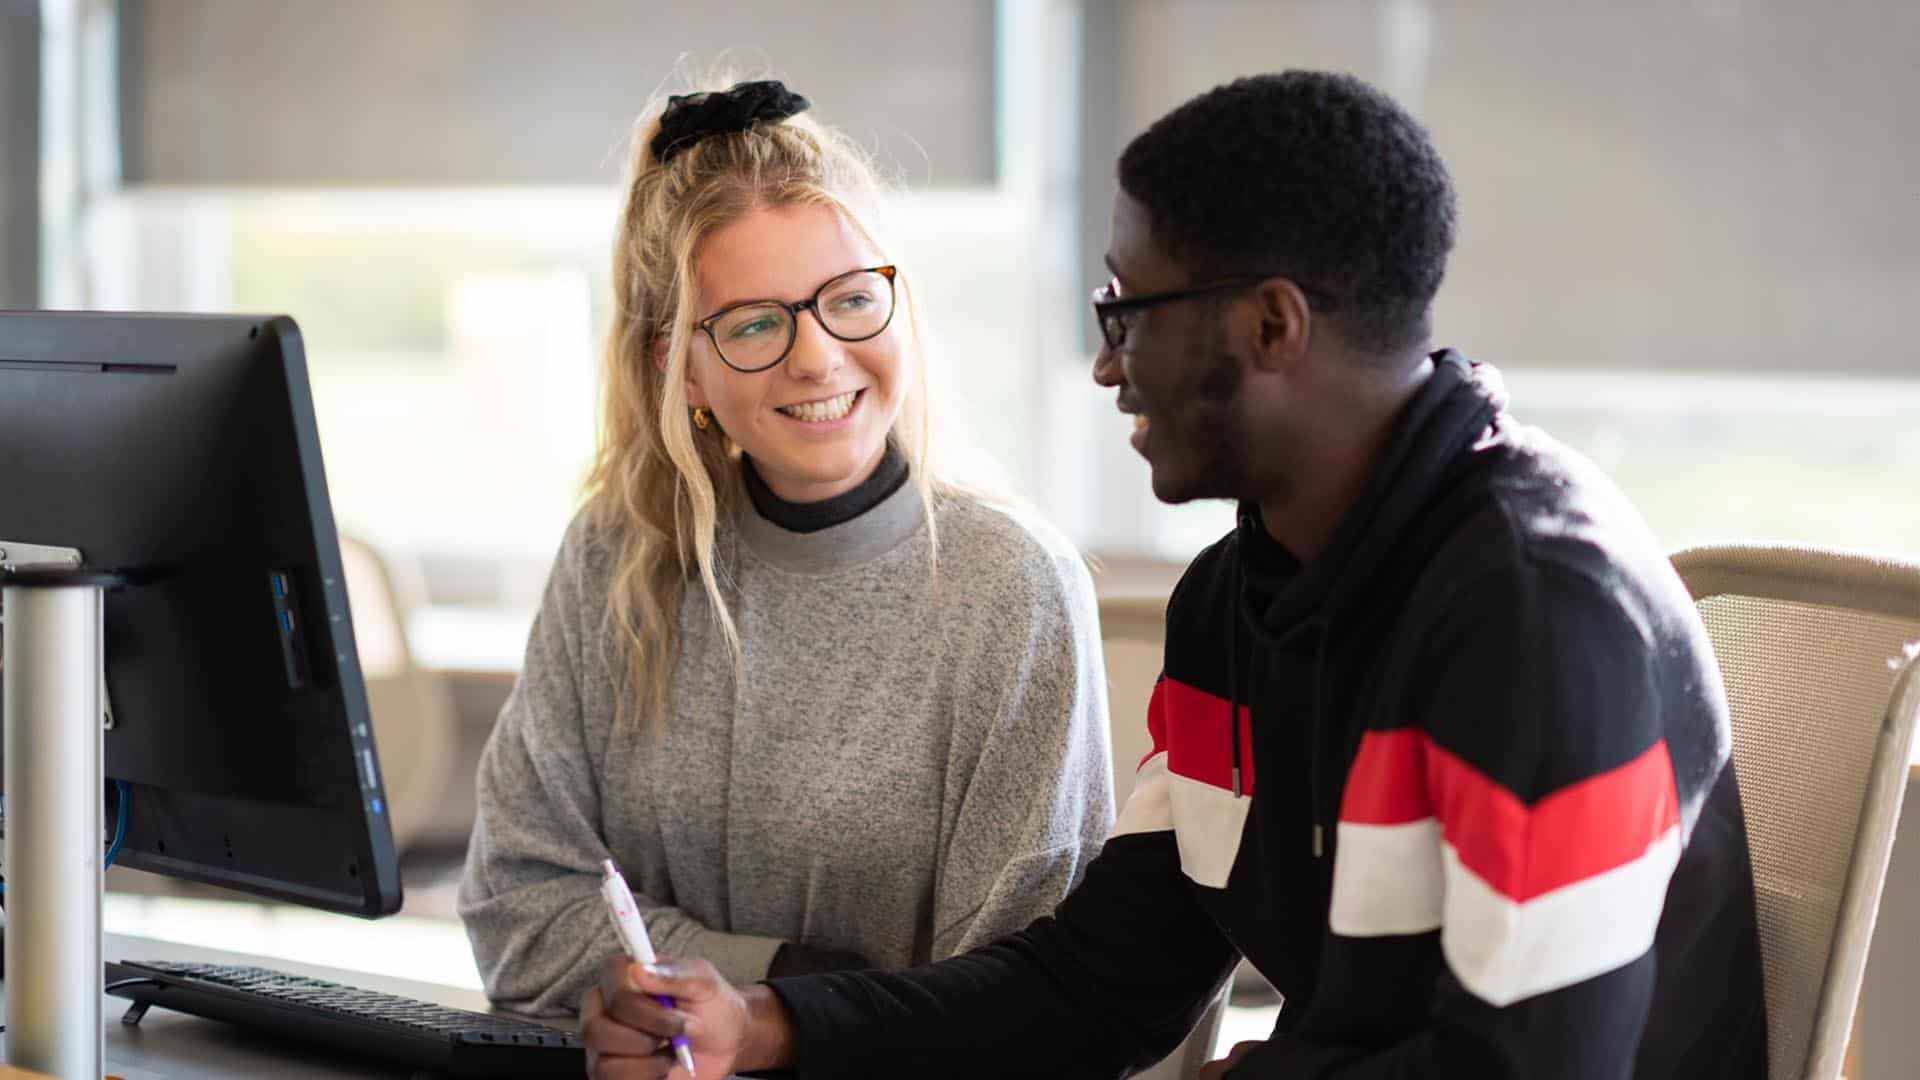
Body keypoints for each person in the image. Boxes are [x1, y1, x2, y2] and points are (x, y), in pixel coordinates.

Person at [583, 70, 1770, 1079]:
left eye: (1128, 310)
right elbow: (1097, 986)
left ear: (1268, 327)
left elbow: (1526, 1071)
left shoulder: (1540, 612)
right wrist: (767, 1025)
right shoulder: (1238, 606)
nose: (1108, 368)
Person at [456, 78, 1114, 1017]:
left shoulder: (1010, 587)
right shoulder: (617, 555)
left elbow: (1018, 1009)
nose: (817, 356)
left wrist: (767, 1023)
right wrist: (787, 975)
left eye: (849, 299)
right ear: (680, 366)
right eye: (756, 323)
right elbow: (516, 917)